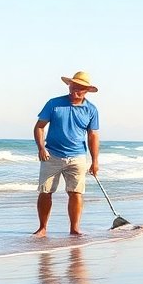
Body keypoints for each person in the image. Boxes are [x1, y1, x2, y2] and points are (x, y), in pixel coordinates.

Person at [33, 71, 101, 237]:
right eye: (72, 87)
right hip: (52, 155)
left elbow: (93, 135)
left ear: (86, 91)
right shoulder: (54, 104)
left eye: (78, 88)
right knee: (45, 192)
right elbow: (39, 127)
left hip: (77, 156)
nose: (73, 91)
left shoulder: (91, 110)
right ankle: (42, 228)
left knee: (76, 193)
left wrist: (95, 161)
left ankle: (75, 228)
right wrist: (41, 148)